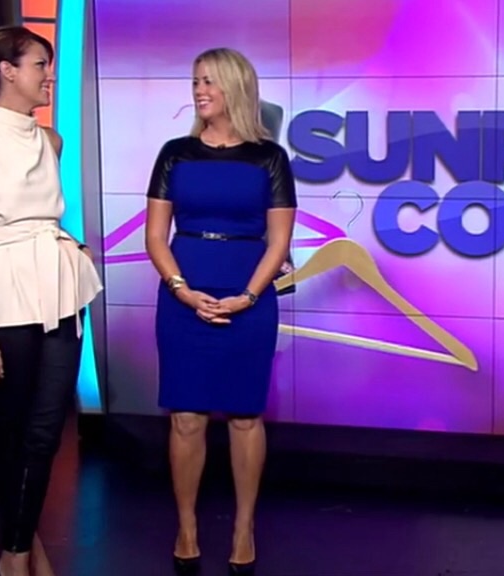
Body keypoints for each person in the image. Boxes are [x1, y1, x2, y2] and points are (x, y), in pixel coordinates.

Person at [0, 25, 103, 576]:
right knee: (11, 429)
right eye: (40, 65)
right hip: (1, 296)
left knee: (46, 430)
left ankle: (18, 551)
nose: (49, 76)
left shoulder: (50, 141)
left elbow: (43, 215)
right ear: (7, 72)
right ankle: (20, 551)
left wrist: (70, 246)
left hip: (58, 287)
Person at [144, 47, 297, 576]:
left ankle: (243, 528)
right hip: (183, 294)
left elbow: (279, 242)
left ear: (235, 86)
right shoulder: (175, 153)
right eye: (195, 81)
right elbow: (155, 236)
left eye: (208, 81)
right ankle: (186, 527)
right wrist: (182, 290)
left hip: (248, 296)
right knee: (186, 416)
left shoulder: (269, 158)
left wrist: (249, 296)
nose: (199, 90)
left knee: (244, 415)